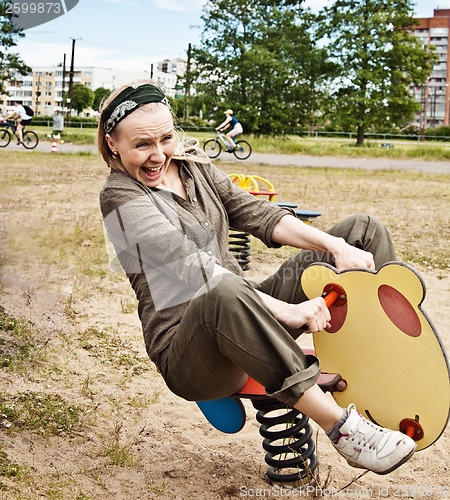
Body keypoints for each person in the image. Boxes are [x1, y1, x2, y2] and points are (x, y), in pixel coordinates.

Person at [98, 81, 416, 476]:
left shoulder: (193, 166)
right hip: (190, 350)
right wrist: (286, 311)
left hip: (243, 308)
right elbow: (193, 271)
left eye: (166, 138)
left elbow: (258, 214)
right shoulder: (120, 195)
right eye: (142, 144)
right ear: (112, 143)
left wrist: (335, 246)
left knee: (362, 231)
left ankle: (375, 364)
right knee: (223, 289)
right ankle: (343, 431)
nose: (159, 154)